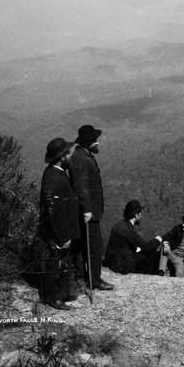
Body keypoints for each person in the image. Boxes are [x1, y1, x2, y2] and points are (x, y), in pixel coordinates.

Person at [35, 137, 80, 310]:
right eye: (68, 153)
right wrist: (62, 236)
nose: (70, 156)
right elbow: (53, 211)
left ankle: (62, 293)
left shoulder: (58, 172)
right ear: (62, 157)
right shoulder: (54, 178)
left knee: (63, 263)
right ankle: (52, 298)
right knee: (55, 264)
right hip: (57, 232)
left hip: (63, 229)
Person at [70, 124, 114, 291]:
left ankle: (83, 277)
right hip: (88, 212)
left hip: (88, 210)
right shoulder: (81, 158)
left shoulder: (83, 155)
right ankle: (94, 280)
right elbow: (81, 186)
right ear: (88, 142)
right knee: (94, 247)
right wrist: (87, 208)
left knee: (86, 246)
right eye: (95, 141)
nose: (98, 143)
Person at [104, 200, 163, 274]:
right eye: (140, 213)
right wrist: (158, 240)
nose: (141, 215)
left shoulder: (118, 225)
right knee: (152, 250)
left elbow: (122, 246)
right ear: (136, 215)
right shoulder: (128, 230)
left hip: (113, 262)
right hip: (122, 265)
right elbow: (147, 247)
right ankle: (148, 274)